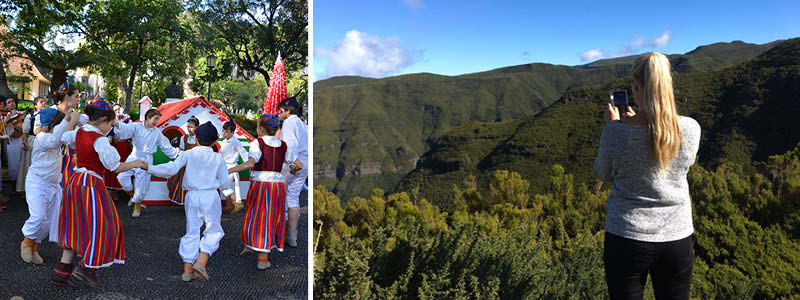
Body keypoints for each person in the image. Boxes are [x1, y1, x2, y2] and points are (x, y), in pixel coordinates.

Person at [594, 52, 701, 300]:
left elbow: (602, 173)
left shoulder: (616, 133)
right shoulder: (691, 129)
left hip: (626, 237)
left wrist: (614, 125)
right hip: (677, 237)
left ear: (635, 85)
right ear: (668, 85)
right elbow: (685, 164)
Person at [53, 100, 147, 288]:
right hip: (91, 185)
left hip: (74, 181)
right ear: (103, 119)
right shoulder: (100, 139)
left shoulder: (80, 131)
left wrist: (72, 120)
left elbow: (63, 138)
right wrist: (138, 163)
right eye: (111, 124)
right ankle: (85, 270)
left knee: (76, 226)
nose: (111, 128)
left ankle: (62, 272)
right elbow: (115, 166)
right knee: (108, 227)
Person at [147, 121, 231, 281]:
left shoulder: (187, 154)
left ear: (197, 139)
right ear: (215, 142)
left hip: (191, 196)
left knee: (192, 231)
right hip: (211, 195)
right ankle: (201, 261)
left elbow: (170, 169)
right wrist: (227, 192)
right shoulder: (217, 157)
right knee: (214, 231)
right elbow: (225, 182)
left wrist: (149, 167)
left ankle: (187, 271)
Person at [228, 114, 296, 269]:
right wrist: (294, 170)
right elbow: (294, 164)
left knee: (256, 215)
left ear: (260, 128)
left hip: (261, 185)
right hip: (277, 187)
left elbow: (251, 163)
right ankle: (255, 247)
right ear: (276, 129)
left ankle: (260, 257)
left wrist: (229, 169)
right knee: (271, 217)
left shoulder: (256, 143)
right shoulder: (284, 145)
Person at [20, 108, 78, 265]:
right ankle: (27, 241)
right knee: (38, 216)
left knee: (49, 221)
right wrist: (68, 120)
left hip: (53, 184)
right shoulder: (41, 137)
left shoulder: (59, 136)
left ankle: (35, 247)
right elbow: (54, 140)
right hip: (37, 182)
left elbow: (73, 138)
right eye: (60, 123)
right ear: (54, 124)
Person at [114, 109, 182, 217]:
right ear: (148, 118)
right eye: (155, 119)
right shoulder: (136, 126)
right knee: (121, 177)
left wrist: (179, 154)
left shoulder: (157, 132)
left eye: (158, 119)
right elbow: (126, 129)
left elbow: (166, 147)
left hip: (146, 159)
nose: (156, 122)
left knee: (141, 185)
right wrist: (117, 124)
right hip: (134, 156)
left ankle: (137, 204)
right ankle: (132, 195)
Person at [277, 97, 307, 247]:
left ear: (287, 111)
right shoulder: (302, 124)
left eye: (281, 110)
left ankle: (279, 234)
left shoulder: (288, 123)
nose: (279, 113)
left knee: (279, 195)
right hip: (305, 162)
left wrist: (292, 163)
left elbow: (290, 144)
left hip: (294, 164)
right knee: (294, 198)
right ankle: (292, 237)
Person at [166, 116, 199, 205]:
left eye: (191, 127)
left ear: (197, 127)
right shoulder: (183, 138)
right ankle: (185, 201)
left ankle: (195, 202)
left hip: (196, 164)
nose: (189, 129)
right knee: (178, 181)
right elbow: (181, 150)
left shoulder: (199, 138)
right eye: (188, 127)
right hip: (185, 163)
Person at [17, 96, 48, 193]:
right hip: (32, 142)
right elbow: (25, 132)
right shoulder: (30, 116)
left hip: (44, 142)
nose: (43, 104)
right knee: (29, 165)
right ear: (35, 106)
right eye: (41, 102)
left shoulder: (47, 115)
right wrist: (25, 143)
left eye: (44, 102)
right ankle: (28, 189)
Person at [219, 120, 248, 214]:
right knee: (227, 185)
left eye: (226, 131)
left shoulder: (236, 142)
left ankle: (236, 202)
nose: (223, 133)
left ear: (233, 132)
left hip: (231, 167)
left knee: (223, 185)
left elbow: (243, 153)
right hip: (224, 167)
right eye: (223, 130)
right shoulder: (224, 141)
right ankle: (229, 205)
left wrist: (248, 163)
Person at [4, 97, 25, 187]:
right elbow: (5, 130)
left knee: (23, 164)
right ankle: (14, 186)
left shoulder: (22, 114)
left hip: (22, 141)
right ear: (6, 106)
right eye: (9, 102)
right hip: (12, 142)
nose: (12, 103)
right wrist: (10, 121)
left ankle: (21, 185)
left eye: (12, 101)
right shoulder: (5, 117)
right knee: (13, 165)